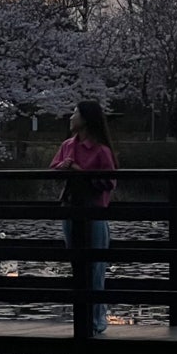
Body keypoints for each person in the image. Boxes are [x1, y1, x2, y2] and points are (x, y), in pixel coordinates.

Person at [50, 101, 117, 334]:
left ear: (86, 119)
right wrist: (63, 167)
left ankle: (97, 319)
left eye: (75, 113)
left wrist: (82, 174)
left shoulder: (101, 150)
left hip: (93, 212)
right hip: (70, 210)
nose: (71, 117)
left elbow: (109, 181)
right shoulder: (67, 145)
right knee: (77, 264)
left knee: (95, 267)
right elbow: (52, 170)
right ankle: (82, 316)